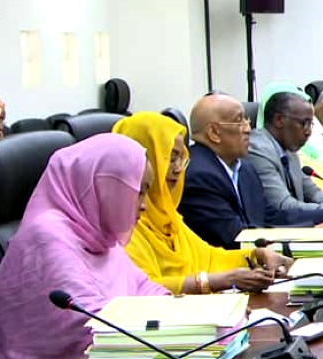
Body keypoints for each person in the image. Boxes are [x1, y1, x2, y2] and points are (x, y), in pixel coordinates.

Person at [0, 134, 169, 359]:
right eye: (139, 192)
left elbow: (143, 287)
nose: (144, 205)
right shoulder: (47, 238)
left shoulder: (97, 232)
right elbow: (91, 325)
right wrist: (170, 327)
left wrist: (195, 315)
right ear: (106, 185)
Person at [113, 112, 293, 295]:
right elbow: (144, 288)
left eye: (181, 158)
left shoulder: (168, 217)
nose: (177, 169)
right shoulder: (126, 224)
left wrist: (257, 256)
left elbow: (209, 257)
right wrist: (218, 281)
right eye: (170, 158)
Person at [178, 93, 323, 249]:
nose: (248, 128)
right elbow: (235, 237)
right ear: (214, 133)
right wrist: (313, 232)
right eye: (239, 121)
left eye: (247, 120)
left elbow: (269, 215)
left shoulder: (244, 168)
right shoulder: (198, 175)